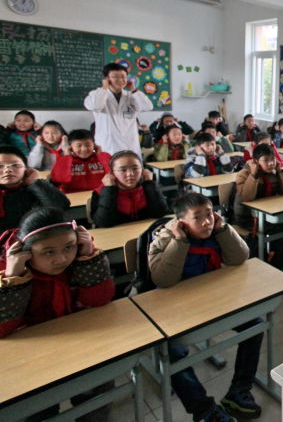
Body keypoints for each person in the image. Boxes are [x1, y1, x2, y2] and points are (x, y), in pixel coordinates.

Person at [148, 193, 263, 421]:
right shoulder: (163, 239)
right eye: (197, 217)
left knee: (256, 324)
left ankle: (239, 391)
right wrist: (179, 240)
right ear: (181, 222)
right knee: (173, 352)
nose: (206, 222)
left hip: (212, 302)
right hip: (175, 311)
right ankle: (203, 410)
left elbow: (240, 257)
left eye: (209, 214)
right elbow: (163, 279)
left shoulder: (217, 231)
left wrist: (224, 229)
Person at [0, 207, 115, 420]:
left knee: (99, 391)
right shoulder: (7, 271)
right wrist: (13, 278)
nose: (61, 259)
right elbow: (2, 329)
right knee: (39, 409)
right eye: (48, 252)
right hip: (30, 360)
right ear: (25, 252)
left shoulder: (80, 258)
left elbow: (99, 299)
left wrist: (88, 255)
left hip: (78, 344)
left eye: (69, 247)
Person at [84, 62, 153, 157]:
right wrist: (104, 88)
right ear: (106, 79)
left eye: (123, 77)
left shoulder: (131, 96)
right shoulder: (96, 94)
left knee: (132, 166)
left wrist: (134, 89)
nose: (120, 80)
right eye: (115, 77)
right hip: (108, 146)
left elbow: (147, 106)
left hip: (130, 146)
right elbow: (95, 105)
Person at [90, 151, 169, 228]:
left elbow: (160, 213)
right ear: (112, 173)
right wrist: (109, 190)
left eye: (135, 168)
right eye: (123, 170)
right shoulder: (101, 193)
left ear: (142, 170)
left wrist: (149, 183)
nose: (130, 174)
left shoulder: (148, 187)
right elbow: (103, 223)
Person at [0, 146, 69, 232]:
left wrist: (34, 182)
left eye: (15, 165)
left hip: (36, 237)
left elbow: (61, 206)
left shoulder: (34, 187)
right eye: (0, 166)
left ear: (26, 169)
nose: (7, 170)